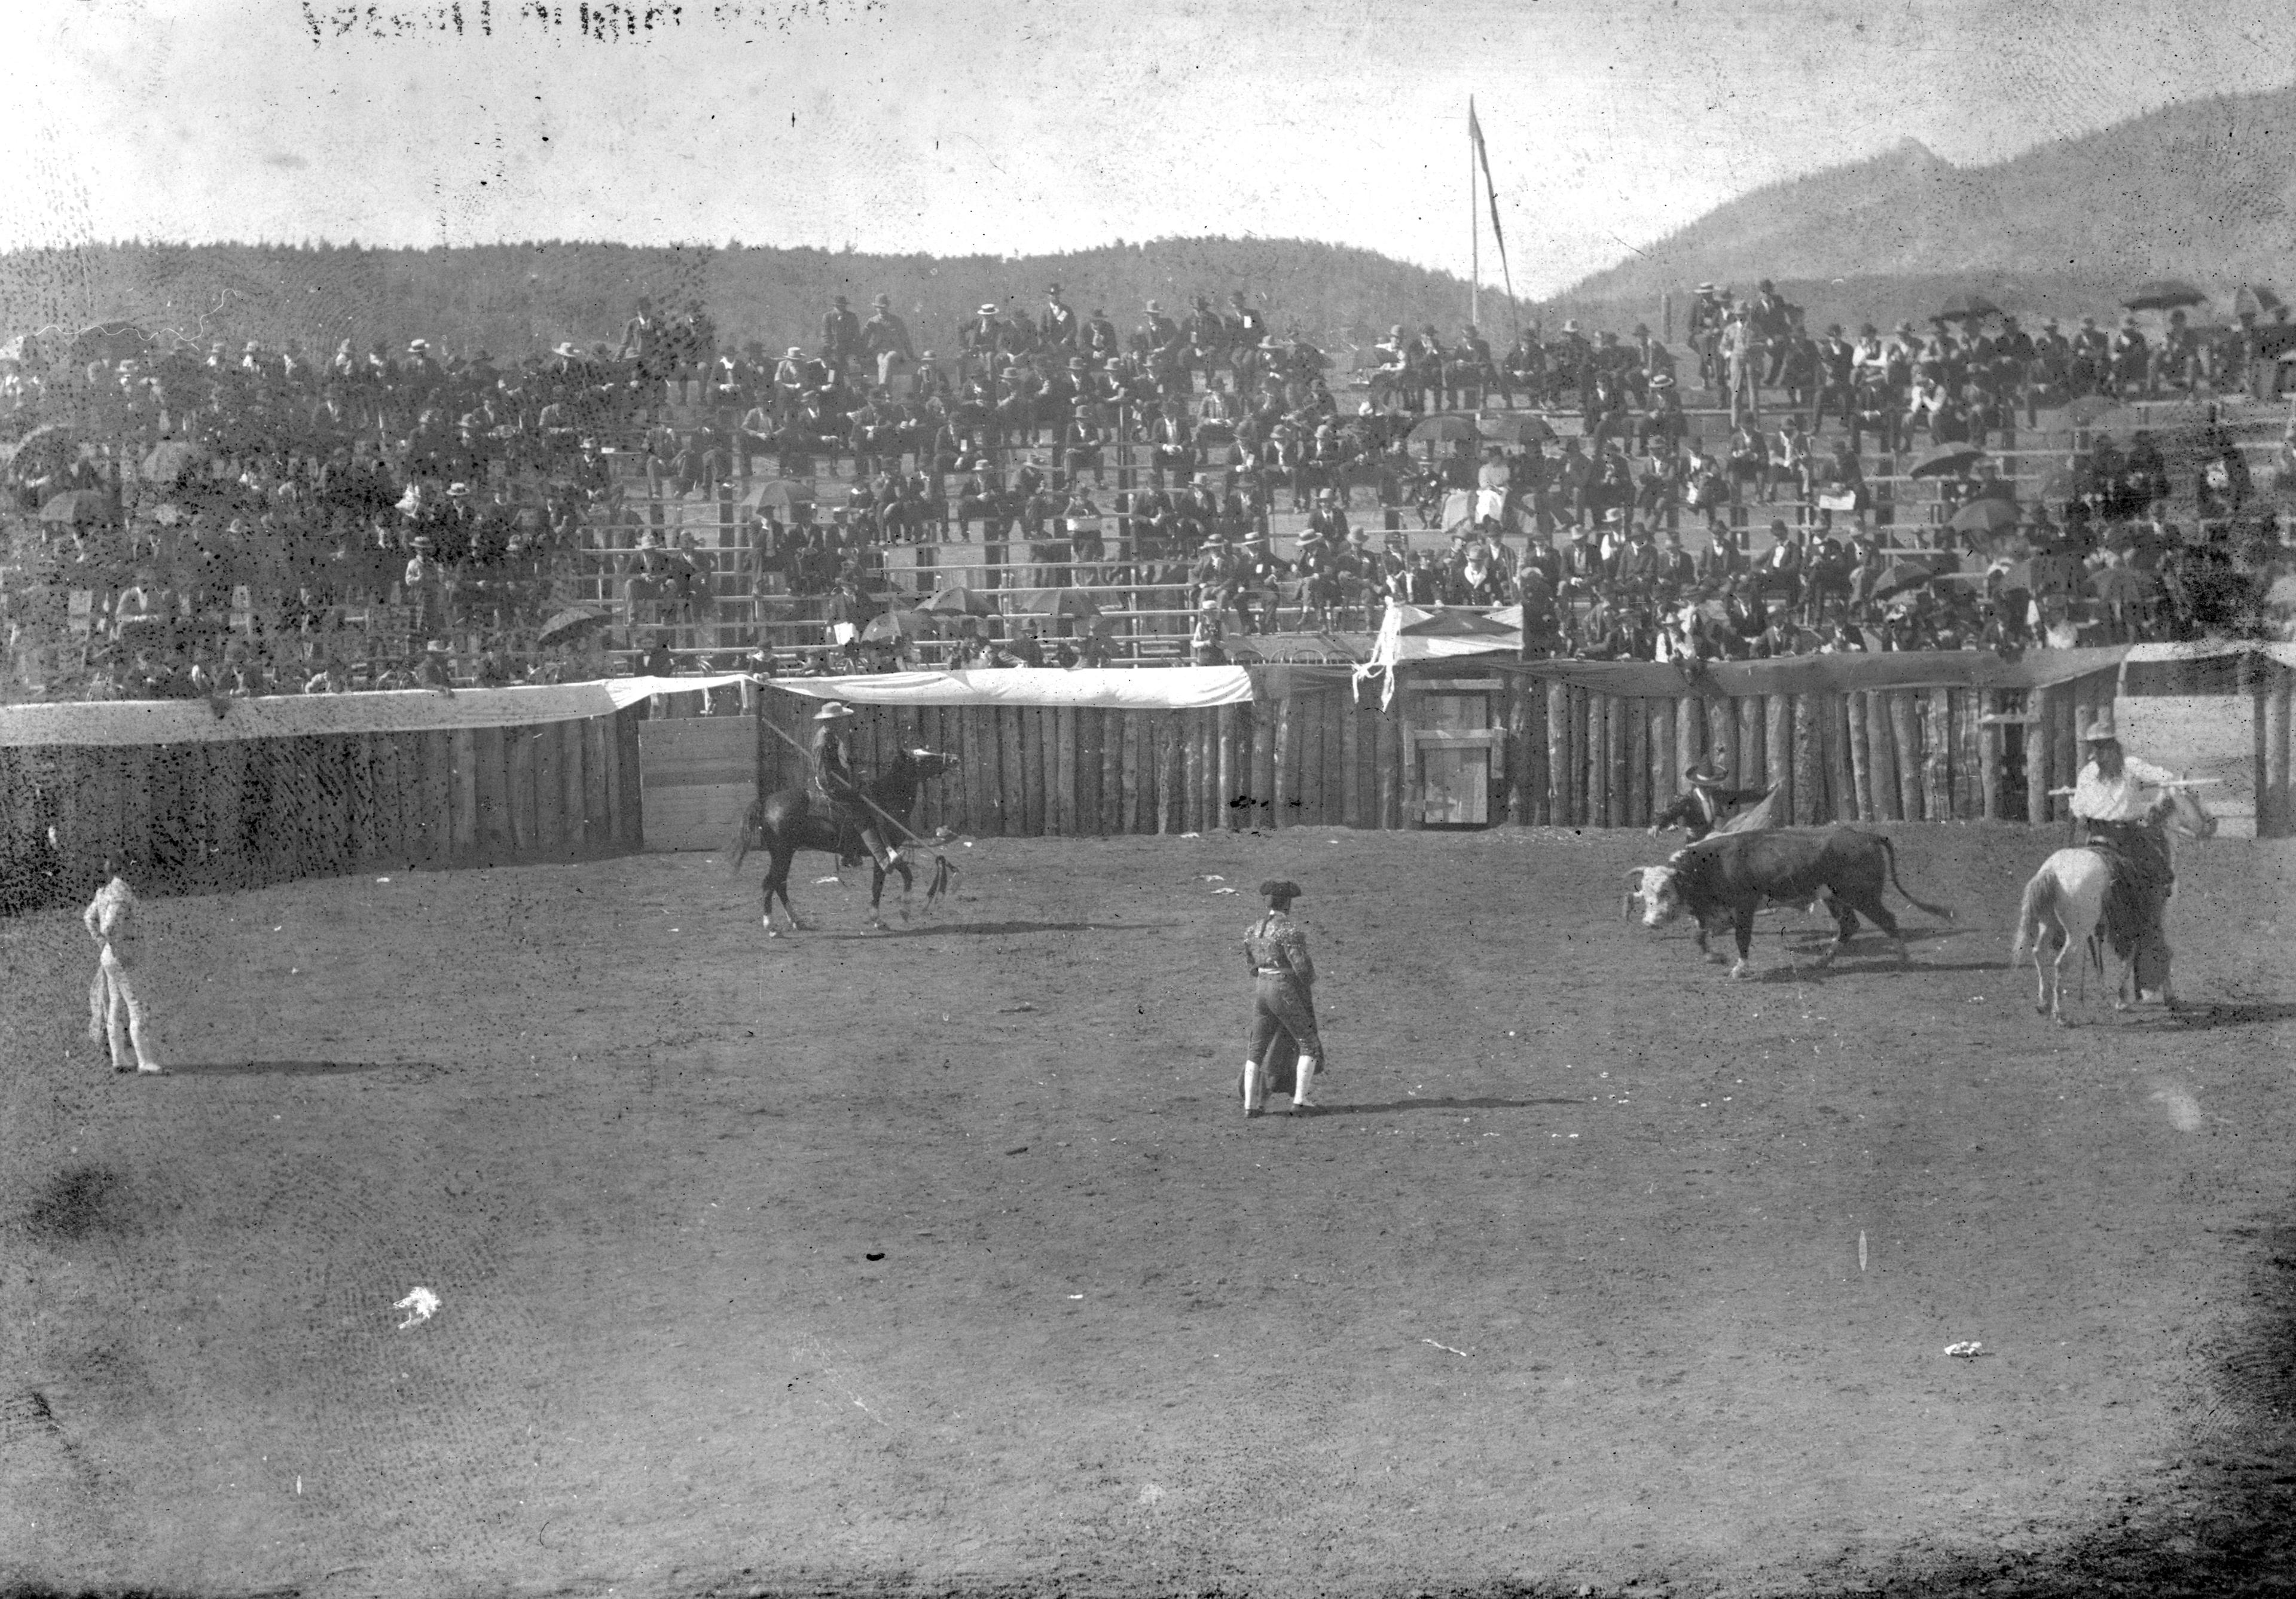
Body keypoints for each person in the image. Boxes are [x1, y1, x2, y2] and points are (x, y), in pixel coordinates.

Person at [2069, 711, 2184, 1005]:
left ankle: (2151, 909)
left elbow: (2167, 778)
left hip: (2125, 837)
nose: (2097, 754)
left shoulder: (2131, 768)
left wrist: (2155, 804)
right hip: (2103, 839)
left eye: (2103, 747)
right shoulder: (2087, 773)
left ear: (2114, 747)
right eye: (2094, 748)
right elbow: (2080, 811)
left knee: (2156, 874)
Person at [1239, 878, 1325, 1118]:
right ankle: (1300, 1100)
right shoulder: (1289, 930)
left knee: (1256, 1048)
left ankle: (1251, 1106)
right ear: (1287, 903)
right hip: (1283, 988)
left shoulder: (1253, 930)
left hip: (1261, 988)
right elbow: (1303, 969)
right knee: (1309, 1043)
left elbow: (1251, 966)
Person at [808, 699, 905, 872]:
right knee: (861, 814)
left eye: (840, 719)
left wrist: (851, 762)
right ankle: (883, 860)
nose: (841, 722)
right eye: (838, 719)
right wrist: (847, 789)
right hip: (833, 788)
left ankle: (887, 849)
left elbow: (839, 759)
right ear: (828, 721)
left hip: (842, 781)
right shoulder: (823, 742)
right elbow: (824, 776)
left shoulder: (831, 735)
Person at [84, 864, 160, 1074]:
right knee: (136, 1007)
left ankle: (120, 1059)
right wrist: (116, 944)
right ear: (125, 870)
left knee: (116, 1006)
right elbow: (107, 926)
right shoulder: (121, 893)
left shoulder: (105, 892)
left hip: (111, 955)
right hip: (123, 956)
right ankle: (145, 1062)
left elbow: (89, 917)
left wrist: (104, 944)